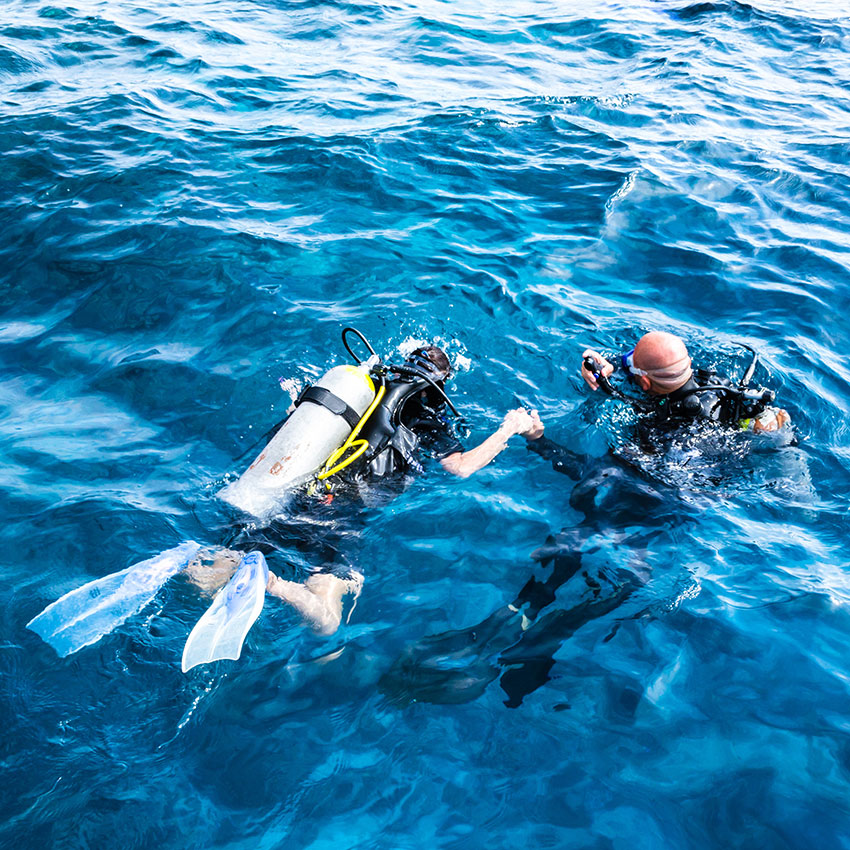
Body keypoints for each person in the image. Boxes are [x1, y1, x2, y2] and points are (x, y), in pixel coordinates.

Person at [260, 344, 537, 634]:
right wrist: (509, 429)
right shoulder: (425, 417)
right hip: (342, 516)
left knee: (214, 575)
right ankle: (273, 584)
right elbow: (461, 467)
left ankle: (236, 566)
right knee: (327, 623)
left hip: (297, 497)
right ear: (439, 384)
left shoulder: (365, 389)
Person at [580, 330, 790, 432]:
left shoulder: (661, 419)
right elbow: (640, 361)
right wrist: (612, 365)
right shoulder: (717, 382)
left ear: (644, 384)